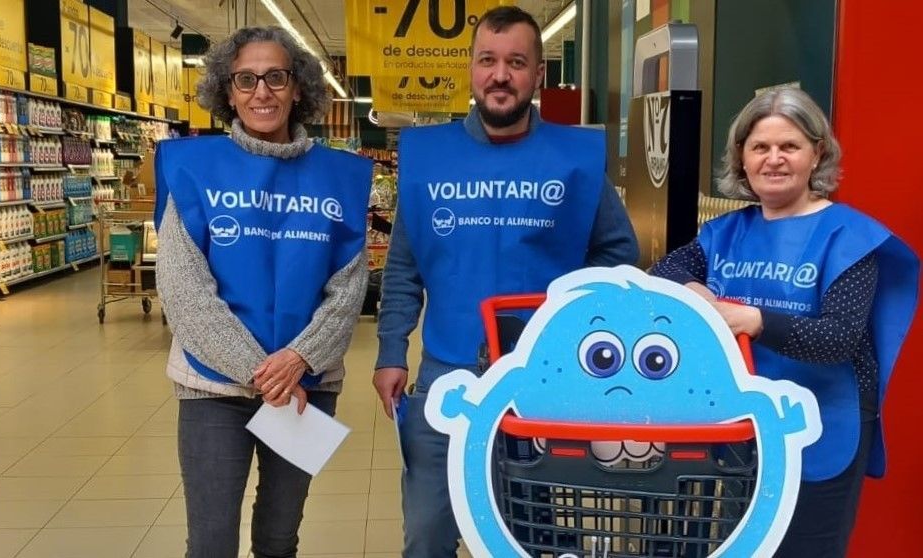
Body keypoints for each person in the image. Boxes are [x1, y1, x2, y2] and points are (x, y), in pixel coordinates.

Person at [372, 6, 640, 557]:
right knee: (427, 535)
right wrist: (391, 350)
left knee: (537, 537)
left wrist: (572, 325)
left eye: (516, 62)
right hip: (445, 377)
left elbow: (618, 256)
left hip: (541, 381)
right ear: (470, 69)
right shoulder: (427, 157)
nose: (501, 75)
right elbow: (403, 265)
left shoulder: (576, 160)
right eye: (488, 61)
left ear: (538, 74)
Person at [650, 87, 919, 556]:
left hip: (824, 426)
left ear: (817, 154)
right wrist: (697, 293)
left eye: (789, 147)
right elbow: (664, 271)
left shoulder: (850, 237)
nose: (774, 160)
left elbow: (838, 339)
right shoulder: (726, 231)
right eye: (760, 147)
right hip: (742, 428)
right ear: (743, 159)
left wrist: (749, 319)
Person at [154, 26, 372, 558]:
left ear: (298, 88)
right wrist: (267, 375)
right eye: (246, 79)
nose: (262, 92)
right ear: (227, 92)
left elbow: (349, 287)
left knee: (279, 537)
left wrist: (299, 359)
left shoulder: (338, 177)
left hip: (309, 383)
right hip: (213, 390)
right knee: (210, 542)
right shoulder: (194, 170)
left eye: (276, 77)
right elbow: (184, 292)